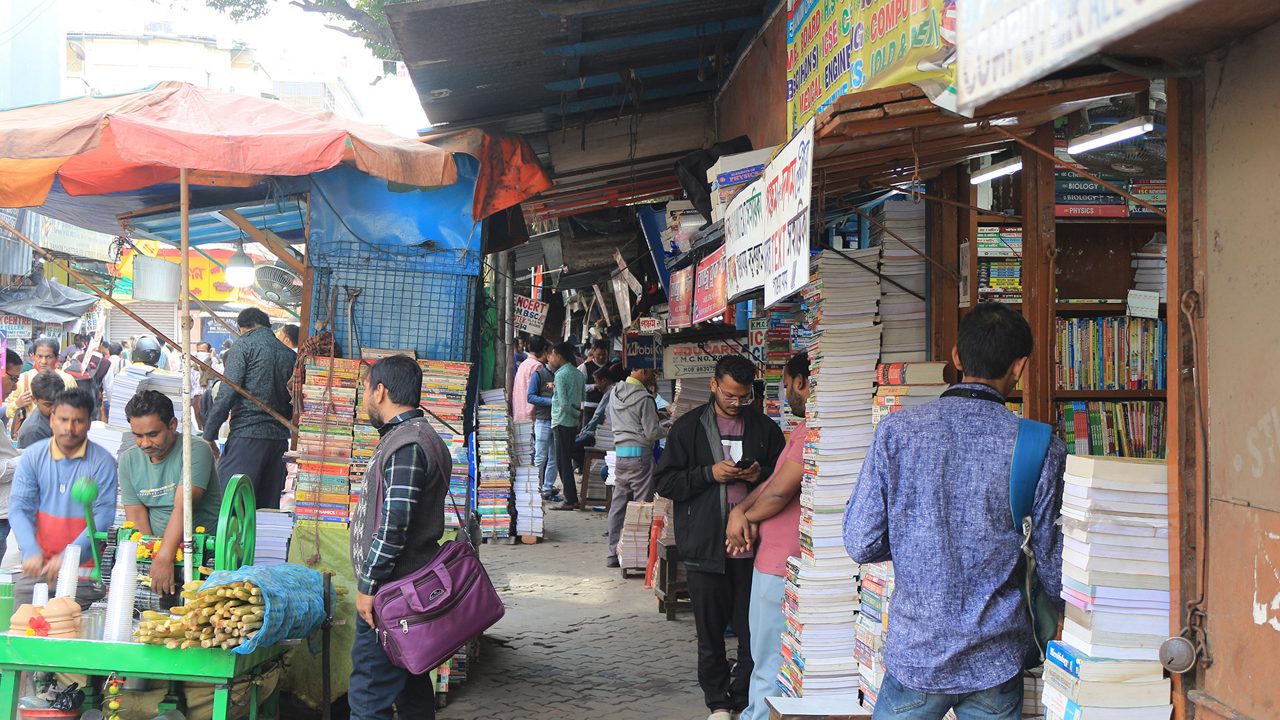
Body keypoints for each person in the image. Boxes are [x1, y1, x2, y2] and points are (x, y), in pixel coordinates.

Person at [843, 303, 1066, 720]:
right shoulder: (1039, 446)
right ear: (1019, 367)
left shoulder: (898, 432)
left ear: (957, 358)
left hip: (917, 655)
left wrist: (918, 535)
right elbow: (1053, 562)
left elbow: (861, 541)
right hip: (995, 659)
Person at [654, 355, 786, 720]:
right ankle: (718, 702)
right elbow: (665, 481)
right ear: (714, 385)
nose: (736, 402)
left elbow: (783, 480)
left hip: (754, 550)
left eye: (743, 396)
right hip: (705, 545)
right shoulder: (689, 428)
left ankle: (741, 696)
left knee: (751, 634)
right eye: (729, 395)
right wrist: (709, 474)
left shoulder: (764, 428)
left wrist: (759, 474)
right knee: (709, 633)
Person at [349, 355, 449, 720]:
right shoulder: (408, 437)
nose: (364, 397)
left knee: (370, 694)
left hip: (392, 596)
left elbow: (394, 525)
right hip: (403, 592)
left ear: (381, 391)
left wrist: (369, 584)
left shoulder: (408, 443)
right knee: (411, 686)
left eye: (365, 388)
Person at [726, 352, 811, 720]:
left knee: (772, 662)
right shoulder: (804, 431)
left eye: (787, 383)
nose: (786, 391)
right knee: (767, 658)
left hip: (783, 566)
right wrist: (741, 512)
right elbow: (773, 485)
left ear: (803, 383)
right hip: (774, 562)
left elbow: (779, 492)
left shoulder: (813, 431)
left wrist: (742, 517)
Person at [10, 389, 117, 608]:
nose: (69, 428)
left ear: (89, 423)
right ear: (52, 420)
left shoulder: (103, 462)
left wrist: (68, 558)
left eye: (78, 421)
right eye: (63, 420)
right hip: (36, 569)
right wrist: (30, 549)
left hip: (82, 574)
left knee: (68, 629)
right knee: (22, 626)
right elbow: (19, 508)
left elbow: (103, 517)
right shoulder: (32, 456)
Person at [119, 390, 225, 596]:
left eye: (152, 434)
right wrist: (148, 557)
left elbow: (183, 506)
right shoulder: (128, 461)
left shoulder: (196, 450)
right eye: (138, 436)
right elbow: (136, 516)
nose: (145, 444)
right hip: (158, 552)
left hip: (202, 554)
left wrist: (164, 556)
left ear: (173, 425)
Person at [202, 308, 295, 510]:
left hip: (247, 437)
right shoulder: (289, 355)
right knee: (265, 512)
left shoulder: (243, 347)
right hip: (278, 442)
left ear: (242, 328)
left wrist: (209, 434)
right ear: (268, 325)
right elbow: (293, 403)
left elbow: (226, 394)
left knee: (231, 506)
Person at [604, 364, 667, 568]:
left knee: (618, 505)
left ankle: (613, 553)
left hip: (621, 456)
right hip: (641, 457)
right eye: (653, 372)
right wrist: (667, 428)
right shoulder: (645, 398)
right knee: (643, 507)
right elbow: (651, 433)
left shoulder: (614, 392)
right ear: (643, 371)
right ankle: (640, 556)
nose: (654, 377)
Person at [5, 338, 77, 432]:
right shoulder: (22, 380)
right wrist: (18, 403)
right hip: (30, 433)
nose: (43, 361)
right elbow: (9, 412)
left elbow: (76, 408)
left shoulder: (67, 380)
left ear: (56, 358)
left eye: (48, 357)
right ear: (33, 356)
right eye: (39, 356)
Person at [547, 342, 585, 511]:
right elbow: (582, 398)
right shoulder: (578, 374)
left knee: (562, 462)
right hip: (573, 423)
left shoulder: (560, 375)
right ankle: (572, 497)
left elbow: (563, 403)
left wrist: (573, 412)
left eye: (552, 355)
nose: (550, 358)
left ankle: (570, 499)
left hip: (562, 421)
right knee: (565, 459)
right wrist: (578, 414)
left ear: (559, 357)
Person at [523, 339, 560, 502]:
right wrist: (551, 402)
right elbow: (530, 397)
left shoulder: (561, 375)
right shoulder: (539, 373)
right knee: (540, 456)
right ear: (548, 356)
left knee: (554, 457)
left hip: (558, 421)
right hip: (543, 420)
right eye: (554, 355)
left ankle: (547, 489)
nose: (557, 359)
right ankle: (536, 488)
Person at [16, 371, 65, 449]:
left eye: (59, 402)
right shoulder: (33, 431)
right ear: (34, 399)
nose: (54, 409)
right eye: (48, 405)